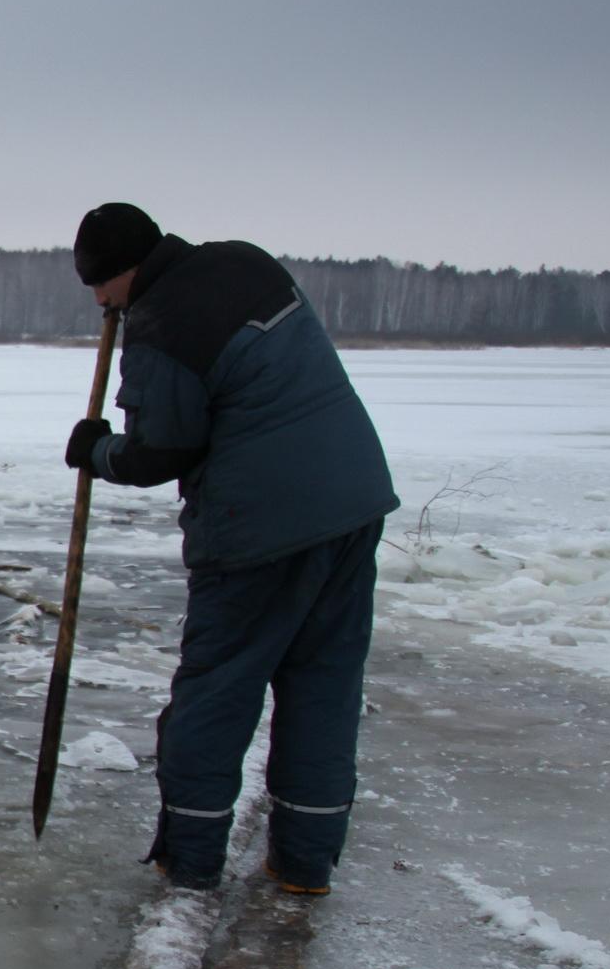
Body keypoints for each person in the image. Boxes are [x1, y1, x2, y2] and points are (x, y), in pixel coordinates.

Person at [63, 203, 398, 896]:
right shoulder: (245, 261)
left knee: (216, 691)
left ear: (125, 271)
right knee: (324, 685)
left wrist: (98, 450)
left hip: (258, 531)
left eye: (100, 285)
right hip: (352, 502)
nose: (99, 300)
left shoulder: (159, 324)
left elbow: (163, 449)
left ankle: (190, 859)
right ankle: (304, 861)